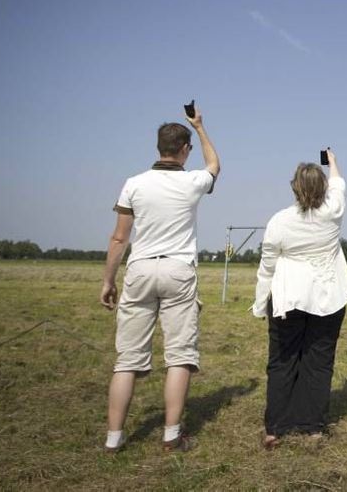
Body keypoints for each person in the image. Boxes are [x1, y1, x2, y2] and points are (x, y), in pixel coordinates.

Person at [99, 106, 220, 453]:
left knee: (127, 360)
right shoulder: (192, 181)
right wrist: (200, 127)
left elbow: (119, 238)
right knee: (179, 356)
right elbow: (214, 166)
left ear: (158, 148)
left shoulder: (133, 184)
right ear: (183, 150)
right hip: (179, 270)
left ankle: (113, 438)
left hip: (139, 269)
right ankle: (171, 435)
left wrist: (108, 280)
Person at [253, 149, 347, 449]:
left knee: (282, 361)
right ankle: (313, 428)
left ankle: (275, 428)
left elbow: (267, 267)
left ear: (294, 188)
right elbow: (339, 185)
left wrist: (260, 303)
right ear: (322, 189)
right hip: (328, 297)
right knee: (319, 362)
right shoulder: (333, 211)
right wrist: (333, 161)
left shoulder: (279, 222)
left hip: (288, 298)